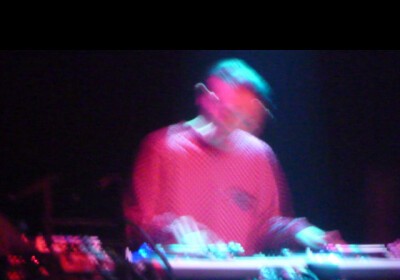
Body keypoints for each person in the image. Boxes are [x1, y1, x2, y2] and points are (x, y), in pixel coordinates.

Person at [124, 58, 344, 256]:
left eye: (246, 120)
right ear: (205, 99)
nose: (235, 126)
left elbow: (266, 226)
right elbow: (135, 225)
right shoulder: (162, 147)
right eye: (230, 113)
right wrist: (172, 230)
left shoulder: (258, 154)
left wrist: (300, 232)